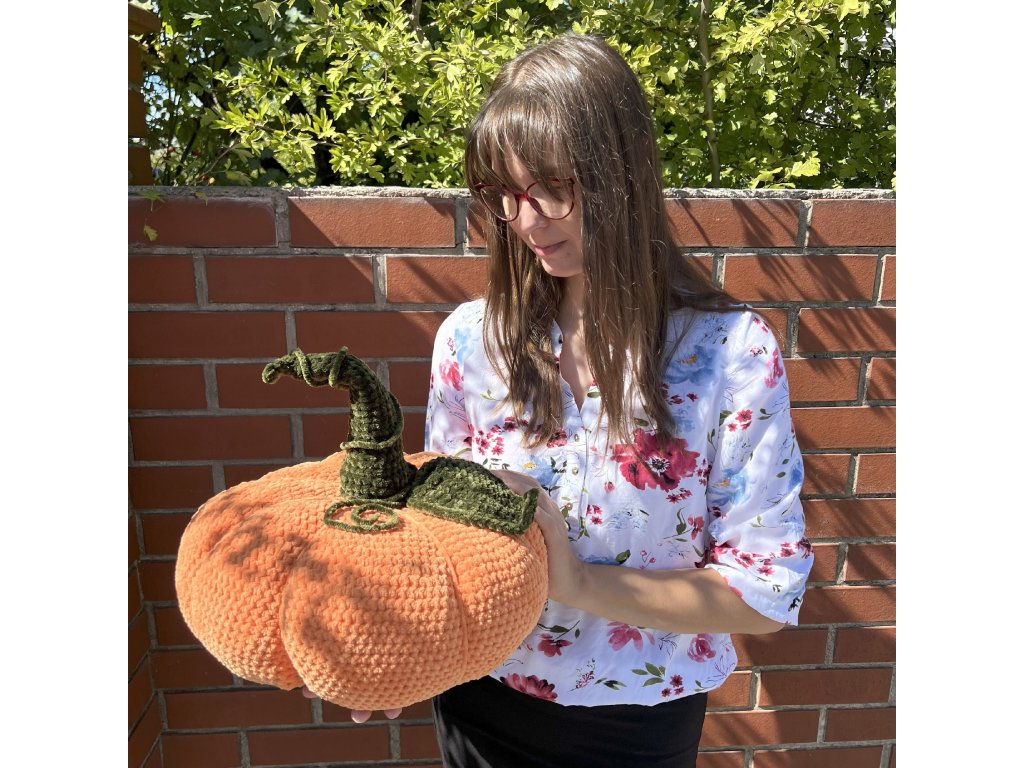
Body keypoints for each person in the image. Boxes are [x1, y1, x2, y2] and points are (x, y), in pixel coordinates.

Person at [421, 32, 812, 768]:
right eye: (505, 194)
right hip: (477, 699)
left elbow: (763, 591)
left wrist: (577, 583)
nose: (527, 221)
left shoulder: (727, 353)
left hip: (635, 724)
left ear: (621, 175)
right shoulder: (472, 340)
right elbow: (440, 540)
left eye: (553, 188)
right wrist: (386, 650)